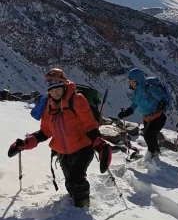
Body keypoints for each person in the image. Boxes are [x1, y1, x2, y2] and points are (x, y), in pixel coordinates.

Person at [8, 68, 112, 208]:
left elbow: (89, 124)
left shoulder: (77, 100)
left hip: (83, 147)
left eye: (57, 88)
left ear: (64, 85)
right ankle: (75, 203)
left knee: (77, 179)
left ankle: (82, 209)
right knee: (69, 181)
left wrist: (99, 144)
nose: (54, 92)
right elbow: (45, 132)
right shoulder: (49, 106)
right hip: (62, 151)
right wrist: (26, 143)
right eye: (51, 90)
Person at [118, 69, 168, 163]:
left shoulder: (150, 88)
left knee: (148, 135)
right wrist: (127, 112)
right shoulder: (137, 92)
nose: (131, 84)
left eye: (133, 81)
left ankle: (151, 156)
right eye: (130, 82)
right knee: (150, 136)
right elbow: (134, 104)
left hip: (158, 117)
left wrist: (163, 104)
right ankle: (156, 154)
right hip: (147, 118)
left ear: (139, 80)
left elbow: (163, 98)